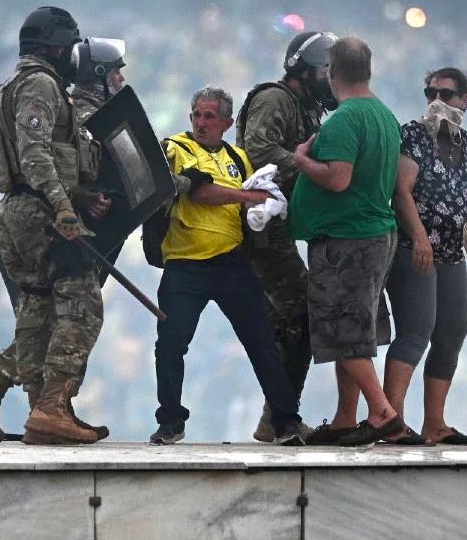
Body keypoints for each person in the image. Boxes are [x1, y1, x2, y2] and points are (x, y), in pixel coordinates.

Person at [0, 22, 115, 443]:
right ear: (55, 48)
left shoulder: (9, 85)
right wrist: (64, 206)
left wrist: (74, 194)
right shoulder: (41, 85)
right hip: (42, 211)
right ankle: (51, 407)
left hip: (16, 210)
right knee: (83, 303)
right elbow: (34, 154)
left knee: (39, 309)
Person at [148, 86, 308, 446]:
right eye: (196, 115)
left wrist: (264, 206)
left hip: (232, 262)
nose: (201, 123)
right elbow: (200, 192)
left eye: (209, 117)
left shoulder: (239, 158)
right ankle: (170, 421)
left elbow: (261, 193)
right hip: (185, 264)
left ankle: (286, 421)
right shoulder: (177, 148)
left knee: (262, 342)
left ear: (226, 122)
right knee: (171, 344)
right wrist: (249, 197)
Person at [289, 36, 404, 446]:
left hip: (347, 238)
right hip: (375, 233)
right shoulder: (385, 116)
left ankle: (381, 413)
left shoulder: (344, 119)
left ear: (330, 73)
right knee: (356, 329)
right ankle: (344, 418)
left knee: (341, 329)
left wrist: (302, 161)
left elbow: (338, 178)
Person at [236, 30, 336, 442]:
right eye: (327, 70)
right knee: (301, 315)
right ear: (307, 69)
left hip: (279, 229)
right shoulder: (275, 100)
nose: (332, 79)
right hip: (262, 229)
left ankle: (276, 417)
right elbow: (258, 152)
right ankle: (280, 419)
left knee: (290, 325)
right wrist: (308, 164)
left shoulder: (305, 107)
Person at [382, 68, 467, 445]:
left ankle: (435, 424)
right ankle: (391, 420)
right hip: (416, 248)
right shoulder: (414, 135)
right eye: (431, 93)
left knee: (452, 330)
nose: (437, 100)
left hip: (450, 250)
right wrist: (419, 236)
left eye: (446, 93)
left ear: (464, 101)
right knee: (416, 330)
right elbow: (402, 190)